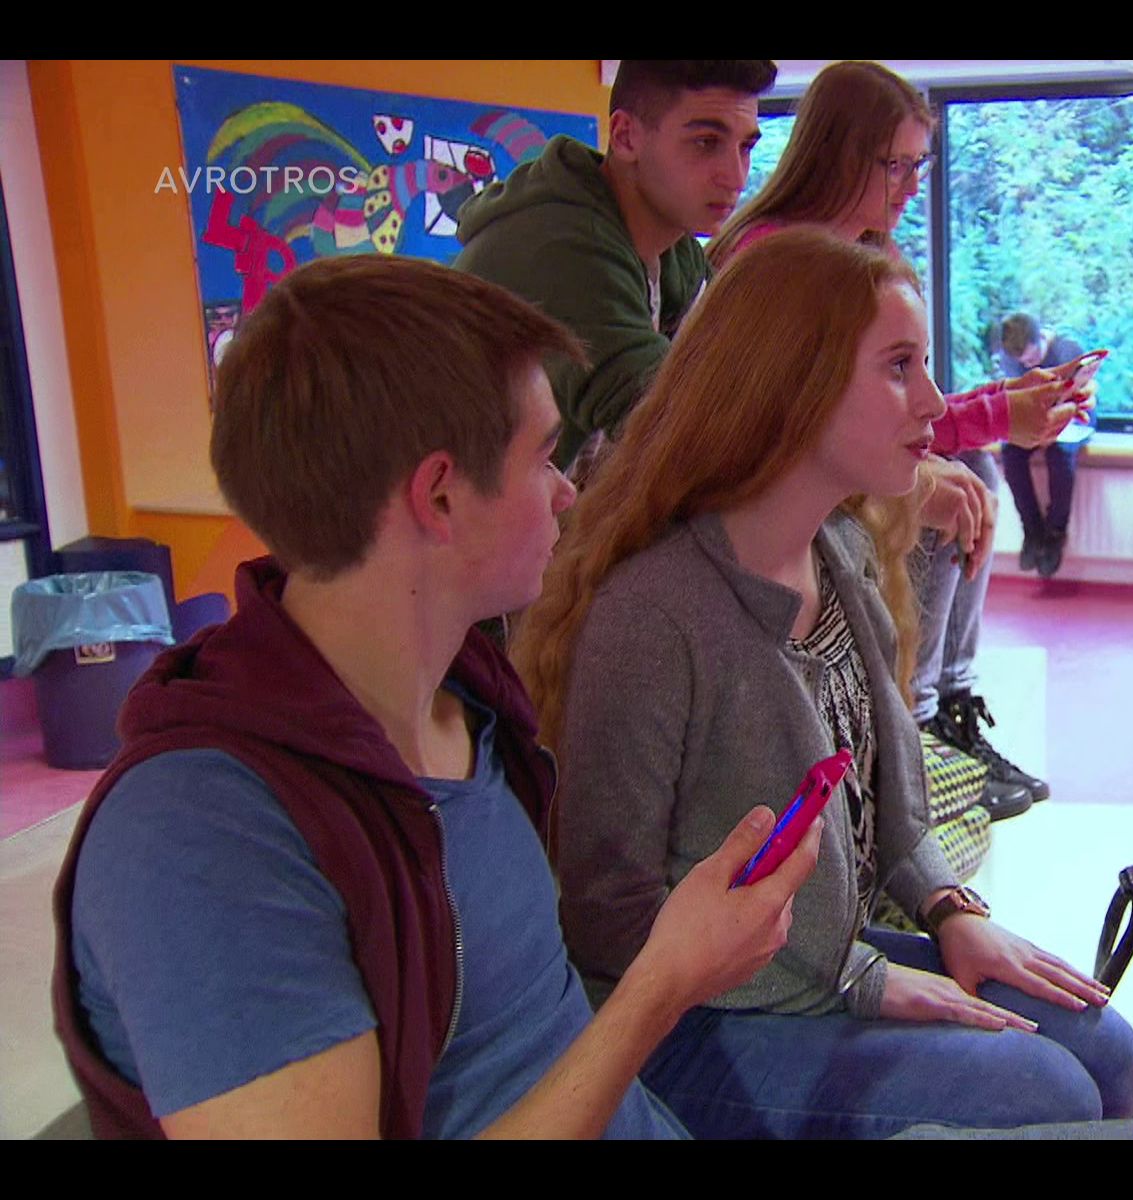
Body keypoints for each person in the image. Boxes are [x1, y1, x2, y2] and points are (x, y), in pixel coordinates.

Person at [49, 256, 818, 1139]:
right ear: (441, 496)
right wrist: (663, 985)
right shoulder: (199, 838)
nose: (567, 491)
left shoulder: (471, 701)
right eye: (544, 457)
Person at [511, 228, 1133, 1139]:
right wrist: (865, 982)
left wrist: (949, 908)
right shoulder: (655, 615)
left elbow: (885, 802)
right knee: (1046, 1095)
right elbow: (609, 920)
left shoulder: (839, 549)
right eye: (898, 367)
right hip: (688, 1022)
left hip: (812, 966)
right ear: (792, 386)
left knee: (1106, 1050)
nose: (934, 402)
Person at [713, 60, 1073, 815]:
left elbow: (900, 401)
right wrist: (991, 421)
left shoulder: (869, 257)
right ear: (840, 155)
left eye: (919, 165)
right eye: (896, 165)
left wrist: (1003, 408)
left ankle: (945, 701)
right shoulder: (778, 263)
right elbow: (817, 425)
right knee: (952, 489)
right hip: (784, 503)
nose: (911, 185)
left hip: (827, 484)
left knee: (974, 475)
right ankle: (916, 717)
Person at [455, 60, 778, 472]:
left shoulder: (673, 249)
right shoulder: (563, 251)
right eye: (705, 143)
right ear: (625, 137)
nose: (735, 176)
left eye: (745, 147)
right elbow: (683, 435)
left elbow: (749, 366)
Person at [995, 311, 1094, 578]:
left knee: (1059, 455)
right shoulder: (1010, 359)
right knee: (1011, 454)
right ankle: (1032, 529)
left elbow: (1081, 394)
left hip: (1072, 412)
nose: (1029, 364)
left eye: (1033, 358)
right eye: (1024, 362)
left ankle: (1055, 533)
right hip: (1035, 415)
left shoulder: (1068, 350)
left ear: (1041, 337)